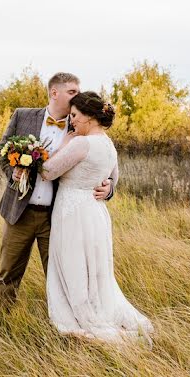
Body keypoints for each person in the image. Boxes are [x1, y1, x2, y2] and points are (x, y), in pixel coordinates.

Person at [0, 73, 115, 312]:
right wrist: (13, 171)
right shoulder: (23, 116)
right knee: (8, 275)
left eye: (78, 91)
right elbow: (1, 151)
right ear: (54, 93)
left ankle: (62, 330)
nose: (77, 96)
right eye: (72, 92)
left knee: (63, 277)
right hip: (20, 212)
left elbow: (102, 159)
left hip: (57, 216)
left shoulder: (80, 125)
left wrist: (108, 186)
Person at [40, 91, 154, 343]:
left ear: (90, 117)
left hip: (73, 214)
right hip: (95, 213)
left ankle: (85, 320)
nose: (72, 122)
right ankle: (101, 311)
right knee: (95, 270)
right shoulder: (108, 145)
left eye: (75, 116)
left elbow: (47, 172)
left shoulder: (81, 143)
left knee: (74, 268)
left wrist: (63, 145)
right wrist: (110, 187)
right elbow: (114, 176)